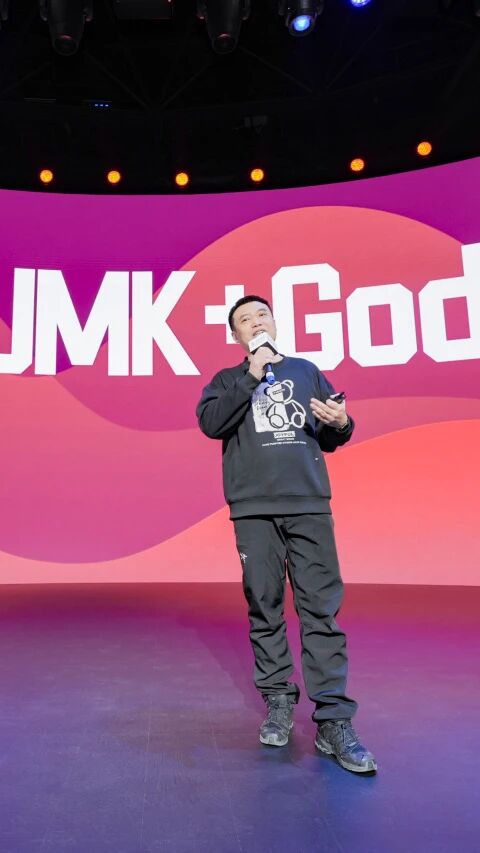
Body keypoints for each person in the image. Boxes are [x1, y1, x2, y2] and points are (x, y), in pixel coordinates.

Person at [195, 295, 377, 775]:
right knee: (265, 606)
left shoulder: (306, 371)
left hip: (308, 505)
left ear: (275, 323)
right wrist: (251, 375)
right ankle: (278, 701)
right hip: (254, 510)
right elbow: (211, 423)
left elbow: (332, 431)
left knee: (321, 610)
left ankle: (333, 721)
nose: (256, 322)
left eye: (262, 315)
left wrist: (342, 423)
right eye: (245, 320)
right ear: (236, 336)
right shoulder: (227, 381)